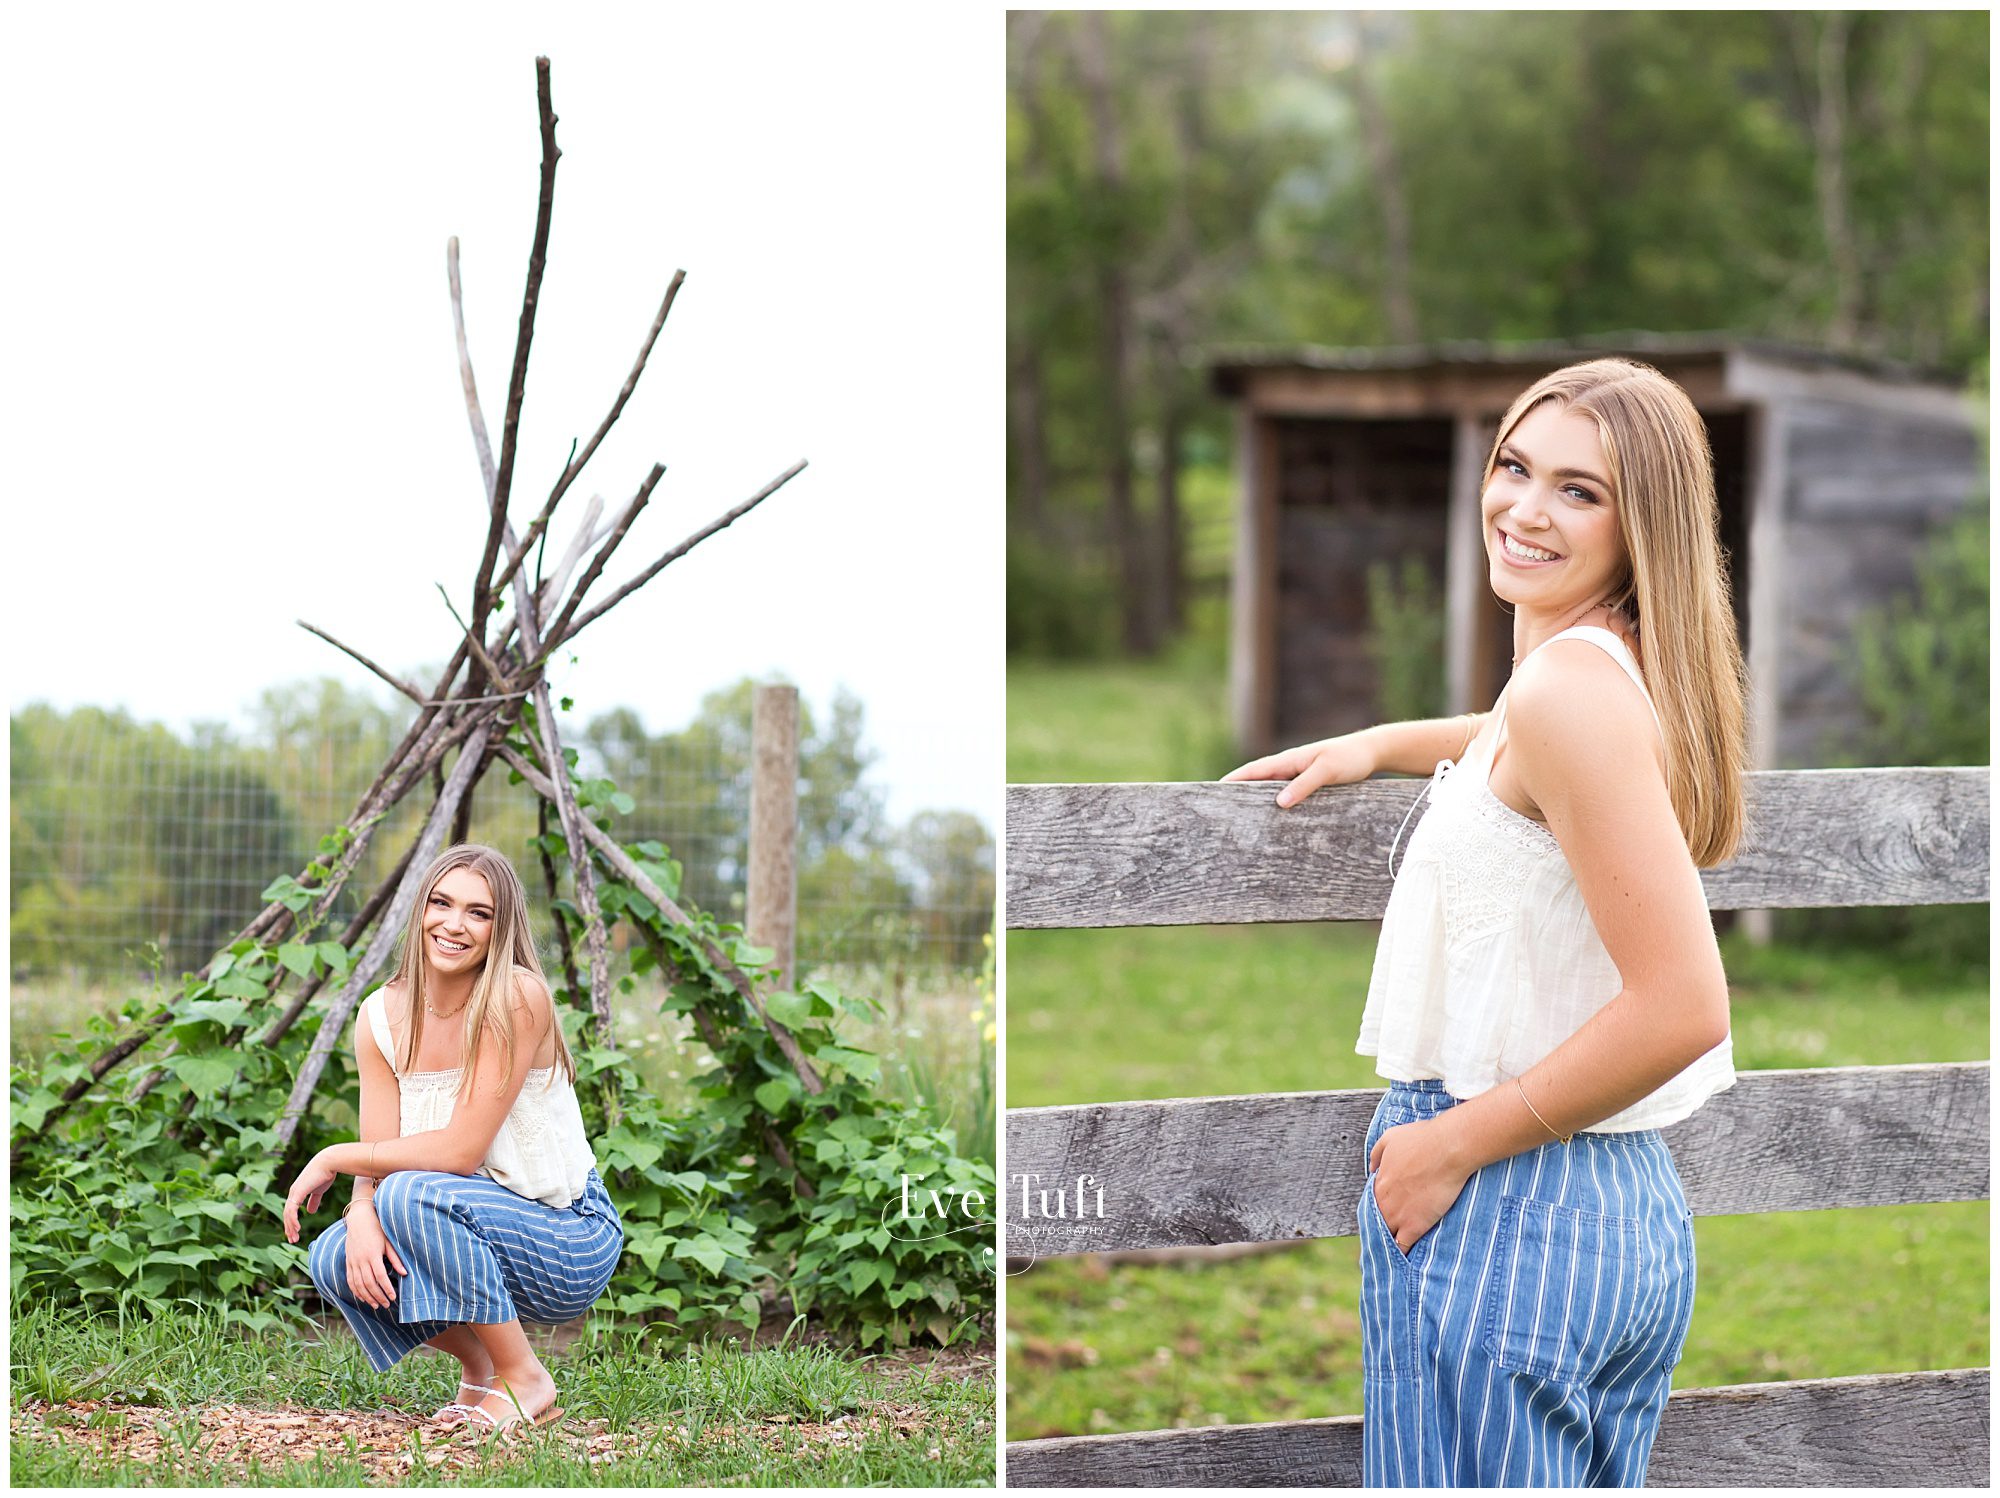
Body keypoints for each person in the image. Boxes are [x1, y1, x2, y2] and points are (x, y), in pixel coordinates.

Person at [1225, 358, 1744, 1487]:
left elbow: (1685, 1006)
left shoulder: (1566, 694)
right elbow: (1515, 737)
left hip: (1503, 1196)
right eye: (1513, 466)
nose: (1522, 507)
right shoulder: (1612, 674)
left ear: (1637, 522)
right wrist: (1381, 742)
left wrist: (1444, 1147)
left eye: (1577, 491)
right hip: (1617, 1210)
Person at [283, 843, 624, 1435]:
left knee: (410, 1193)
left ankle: (527, 1378)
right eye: (441, 903)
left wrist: (332, 1157)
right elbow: (382, 1149)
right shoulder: (379, 1017)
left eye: (478, 912)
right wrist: (361, 1207)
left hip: (567, 1235)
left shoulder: (516, 996)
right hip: (461, 1222)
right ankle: (481, 1366)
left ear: (500, 928)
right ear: (420, 910)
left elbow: (458, 1154)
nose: (454, 924)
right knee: (336, 1253)